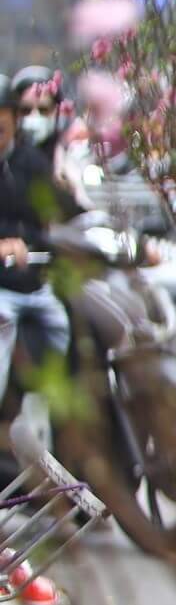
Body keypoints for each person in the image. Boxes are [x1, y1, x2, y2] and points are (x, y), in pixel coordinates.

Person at [0, 71, 71, 400]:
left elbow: (55, 213)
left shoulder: (33, 162)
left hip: (36, 284)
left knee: (61, 328)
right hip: (3, 291)